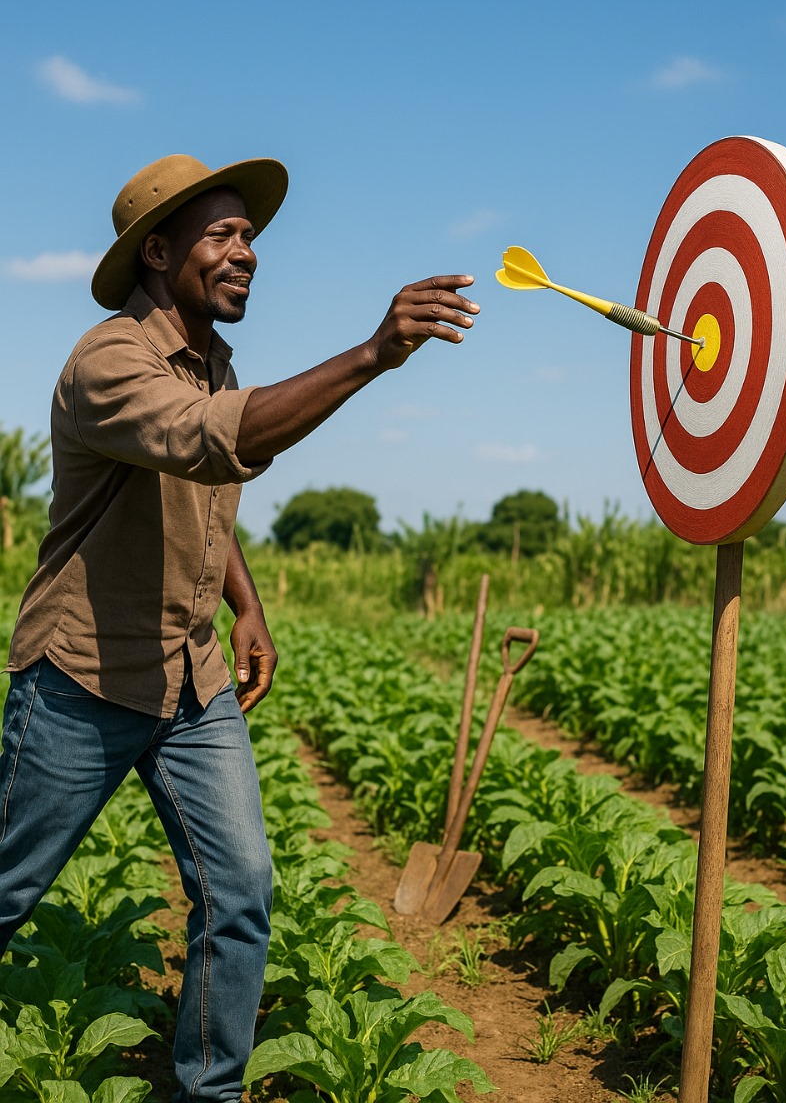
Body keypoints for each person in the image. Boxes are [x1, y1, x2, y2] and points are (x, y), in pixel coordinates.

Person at [0, 152, 479, 1102]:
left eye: (249, 235)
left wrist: (245, 601)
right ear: (157, 253)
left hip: (191, 680)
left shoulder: (212, 361)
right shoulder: (108, 362)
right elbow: (219, 437)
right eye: (222, 235)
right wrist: (370, 354)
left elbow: (205, 486)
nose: (247, 252)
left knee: (241, 893)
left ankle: (207, 1093)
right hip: (85, 676)